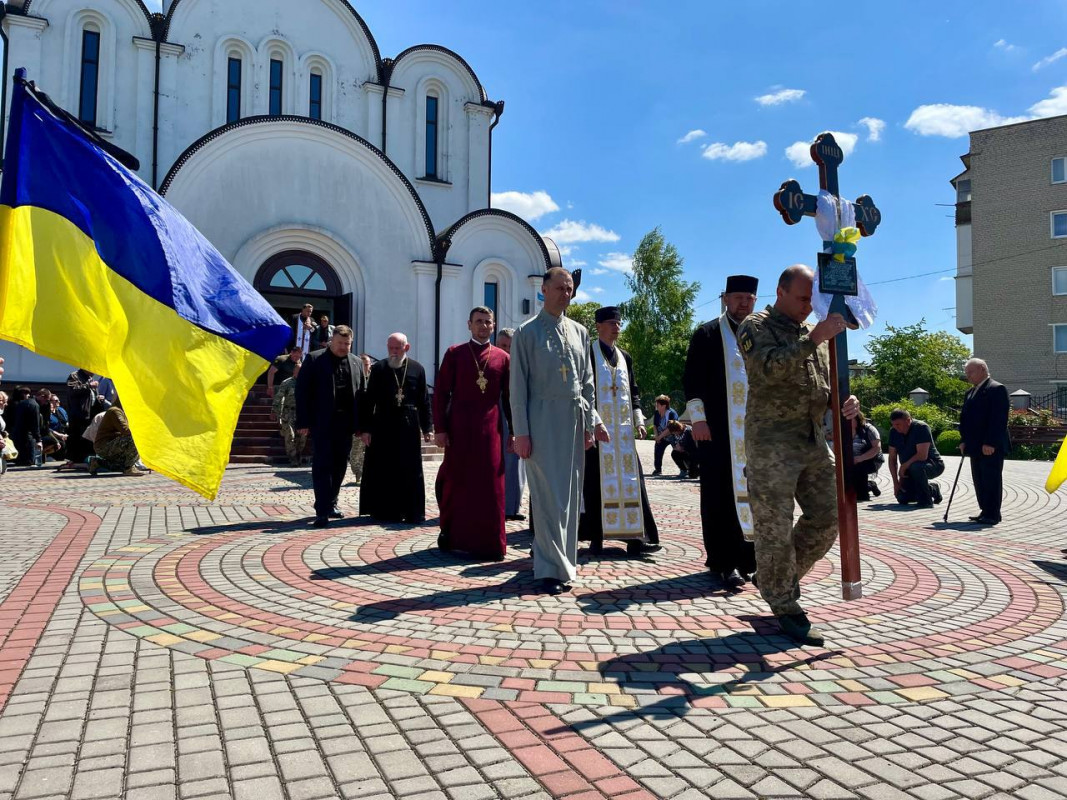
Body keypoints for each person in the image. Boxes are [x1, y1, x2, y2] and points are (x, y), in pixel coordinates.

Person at [738, 264, 860, 646]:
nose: (809, 307)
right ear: (781, 291)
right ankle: (786, 604)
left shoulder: (813, 333)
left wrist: (847, 403)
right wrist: (815, 340)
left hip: (811, 442)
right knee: (773, 528)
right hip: (772, 446)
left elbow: (822, 385)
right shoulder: (755, 327)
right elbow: (768, 370)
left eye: (813, 300)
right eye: (803, 298)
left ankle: (775, 579)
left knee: (830, 517)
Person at [511, 267, 608, 595]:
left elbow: (587, 383)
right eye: (560, 288)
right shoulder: (526, 333)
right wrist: (521, 432)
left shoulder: (580, 332)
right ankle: (549, 570)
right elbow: (517, 388)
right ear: (544, 289)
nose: (566, 294)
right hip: (540, 421)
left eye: (570, 289)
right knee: (547, 497)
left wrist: (591, 423)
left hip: (572, 421)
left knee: (568, 497)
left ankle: (565, 561)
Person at [682, 274, 759, 590]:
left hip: (755, 433)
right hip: (717, 432)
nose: (744, 303)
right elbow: (692, 379)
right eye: (738, 297)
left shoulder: (761, 333)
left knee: (755, 495)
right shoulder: (708, 334)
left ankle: (752, 560)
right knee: (720, 496)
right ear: (725, 298)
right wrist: (698, 419)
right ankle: (724, 561)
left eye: (749, 298)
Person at [578, 305, 661, 557]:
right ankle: (596, 538)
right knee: (595, 484)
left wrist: (638, 418)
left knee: (632, 482)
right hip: (597, 432)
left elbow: (633, 390)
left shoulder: (625, 356)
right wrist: (592, 422)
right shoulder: (588, 353)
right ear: (599, 326)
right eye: (612, 323)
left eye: (618, 323)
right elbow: (583, 390)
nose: (617, 327)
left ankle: (637, 538)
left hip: (623, 435)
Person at [434, 307, 512, 560]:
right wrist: (440, 429)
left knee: (491, 485)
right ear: (469, 324)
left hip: (491, 429)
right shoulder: (455, 353)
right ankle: (453, 535)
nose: (483, 326)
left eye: (487, 322)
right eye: (478, 321)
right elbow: (441, 393)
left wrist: (515, 432)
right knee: (457, 482)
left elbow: (510, 399)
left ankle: (491, 543)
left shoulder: (502, 357)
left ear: (494, 325)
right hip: (459, 427)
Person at [295, 325, 365, 527]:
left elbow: (362, 394)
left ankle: (332, 502)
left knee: (340, 465)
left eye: (347, 344)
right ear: (331, 342)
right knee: (322, 465)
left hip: (346, 424)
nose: (343, 347)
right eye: (340, 343)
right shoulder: (315, 359)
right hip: (322, 423)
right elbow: (302, 392)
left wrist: (362, 423)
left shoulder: (357, 362)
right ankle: (322, 509)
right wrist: (303, 421)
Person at [359, 333, 432, 523]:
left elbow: (424, 401)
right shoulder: (379, 368)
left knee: (409, 468)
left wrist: (427, 427)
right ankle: (384, 511)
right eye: (390, 348)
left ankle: (411, 511)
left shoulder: (418, 369)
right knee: (384, 468)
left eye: (397, 348)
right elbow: (369, 400)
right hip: (383, 424)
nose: (393, 352)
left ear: (406, 348)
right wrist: (366, 428)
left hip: (408, 425)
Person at [959, 357, 1010, 525]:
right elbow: (965, 419)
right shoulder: (970, 392)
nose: (968, 376)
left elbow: (998, 419)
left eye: (971, 372)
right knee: (979, 479)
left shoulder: (996, 389)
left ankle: (993, 514)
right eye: (966, 373)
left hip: (990, 446)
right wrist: (964, 440)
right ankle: (984, 510)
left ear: (982, 369)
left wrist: (991, 442)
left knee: (991, 479)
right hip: (974, 445)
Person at [496, 329, 526, 520]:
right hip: (497, 415)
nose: (507, 350)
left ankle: (513, 506)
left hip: (517, 416)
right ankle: (500, 505)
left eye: (510, 346)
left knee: (516, 462)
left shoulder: (521, 365)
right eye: (503, 346)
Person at [888, 409, 945, 507]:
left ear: (908, 420)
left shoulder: (921, 428)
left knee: (916, 467)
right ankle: (932, 489)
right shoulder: (893, 432)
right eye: (893, 424)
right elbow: (892, 459)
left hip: (932, 465)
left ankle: (926, 501)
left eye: (898, 424)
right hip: (908, 469)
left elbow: (922, 456)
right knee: (902, 498)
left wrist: (904, 466)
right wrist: (896, 483)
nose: (895, 427)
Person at [89, 401, 146, 476]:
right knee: (135, 438)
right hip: (104, 445)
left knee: (122, 465)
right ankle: (129, 468)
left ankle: (97, 463)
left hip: (111, 445)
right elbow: (125, 430)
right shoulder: (115, 411)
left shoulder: (122, 412)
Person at [271, 363, 306, 466]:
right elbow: (279, 397)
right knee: (290, 435)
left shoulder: (307, 383)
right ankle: (293, 458)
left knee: (302, 437)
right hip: (289, 413)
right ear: (294, 371)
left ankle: (298, 454)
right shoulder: (287, 383)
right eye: (298, 370)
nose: (300, 372)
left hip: (302, 413)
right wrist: (274, 410)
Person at [848, 412, 883, 501]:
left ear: (857, 420)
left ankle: (864, 493)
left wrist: (860, 458)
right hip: (852, 461)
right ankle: (870, 485)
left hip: (871, 460)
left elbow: (876, 448)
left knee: (858, 469)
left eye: (850, 419)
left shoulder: (869, 429)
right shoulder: (844, 430)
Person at [66, 368, 98, 463]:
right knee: (79, 437)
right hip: (79, 414)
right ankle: (78, 460)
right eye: (93, 370)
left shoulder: (89, 377)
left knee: (88, 437)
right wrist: (89, 385)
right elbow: (73, 390)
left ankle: (86, 459)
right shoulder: (74, 376)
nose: (94, 373)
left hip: (90, 413)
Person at [349, 354, 372, 483]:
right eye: (362, 364)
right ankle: (358, 473)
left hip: (372, 422)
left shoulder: (375, 379)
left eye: (367, 364)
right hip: (357, 422)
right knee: (355, 453)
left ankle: (366, 475)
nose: (364, 367)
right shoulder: (354, 380)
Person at [10, 387, 43, 467]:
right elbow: (35, 424)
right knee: (28, 461)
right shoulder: (31, 405)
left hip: (17, 434)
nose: (28, 395)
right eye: (26, 394)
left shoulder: (17, 404)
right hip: (26, 435)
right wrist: (38, 439)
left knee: (21, 460)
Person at [650, 396, 679, 475]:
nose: (656, 406)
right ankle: (658, 469)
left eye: (658, 405)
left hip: (673, 435)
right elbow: (655, 425)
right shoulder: (656, 413)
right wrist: (657, 437)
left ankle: (685, 469)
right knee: (658, 449)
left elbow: (671, 429)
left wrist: (660, 436)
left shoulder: (672, 413)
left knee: (678, 450)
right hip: (661, 435)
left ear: (664, 406)